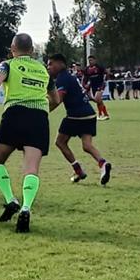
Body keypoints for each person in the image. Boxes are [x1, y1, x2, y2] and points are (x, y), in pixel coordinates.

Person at [0, 33, 51, 233]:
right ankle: (26, 207)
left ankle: (11, 199)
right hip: (39, 118)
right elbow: (54, 98)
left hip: (15, 114)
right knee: (31, 168)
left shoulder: (7, 65)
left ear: (12, 48)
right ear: (32, 50)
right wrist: (42, 112)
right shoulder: (43, 69)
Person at [48, 53, 112, 185]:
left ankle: (78, 170)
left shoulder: (62, 78)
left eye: (50, 64)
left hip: (75, 116)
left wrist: (43, 111)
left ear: (60, 64)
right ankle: (103, 163)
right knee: (87, 146)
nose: (48, 67)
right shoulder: (69, 77)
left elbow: (58, 100)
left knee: (60, 142)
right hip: (89, 114)